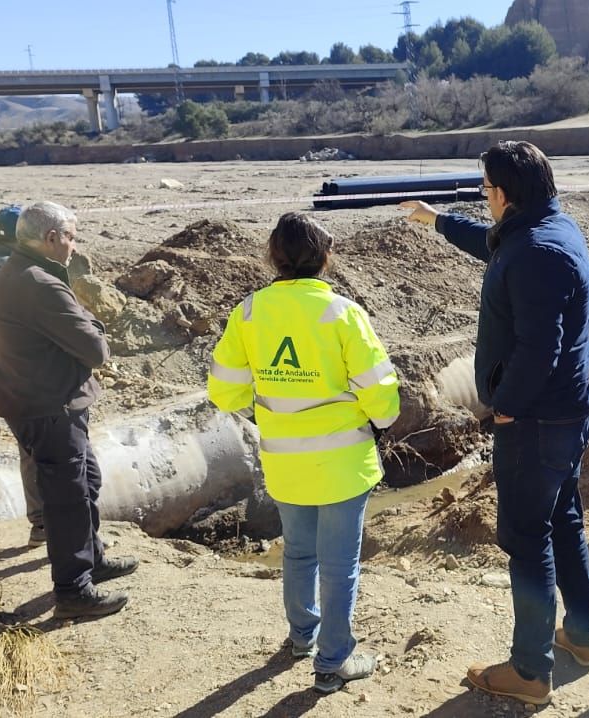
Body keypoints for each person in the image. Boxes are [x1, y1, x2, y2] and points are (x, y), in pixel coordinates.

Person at [401, 140, 589, 707]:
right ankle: (582, 637)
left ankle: (531, 671)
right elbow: (496, 247)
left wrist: (506, 404)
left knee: (527, 536)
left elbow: (542, 346)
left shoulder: (536, 250)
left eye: (486, 188)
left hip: (538, 421)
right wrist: (438, 220)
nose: (484, 197)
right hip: (566, 412)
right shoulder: (545, 230)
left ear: (505, 194)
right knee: (562, 519)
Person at [206, 212, 400, 695]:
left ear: (274, 254)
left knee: (298, 553)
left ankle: (301, 638)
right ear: (324, 256)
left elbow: (225, 393)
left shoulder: (249, 312)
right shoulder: (342, 313)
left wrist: (272, 405)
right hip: (342, 466)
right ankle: (333, 663)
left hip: (284, 462)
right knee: (339, 565)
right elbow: (382, 399)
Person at [0, 201, 137, 620]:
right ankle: (73, 590)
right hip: (48, 405)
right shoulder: (39, 283)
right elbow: (96, 349)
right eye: (71, 236)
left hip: (41, 399)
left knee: (85, 479)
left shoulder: (19, 271)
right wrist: (96, 332)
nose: (74, 244)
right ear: (52, 239)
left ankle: (92, 559)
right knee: (67, 495)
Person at [0, 204, 45, 547]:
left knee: (30, 449)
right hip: (25, 373)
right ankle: (46, 525)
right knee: (42, 450)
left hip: (8, 370)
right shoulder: (11, 270)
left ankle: (41, 523)